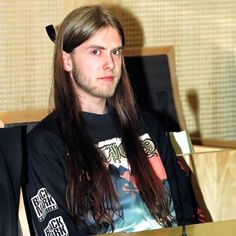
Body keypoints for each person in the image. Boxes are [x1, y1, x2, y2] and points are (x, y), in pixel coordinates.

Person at [25, 5, 204, 235]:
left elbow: (186, 213)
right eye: (96, 52)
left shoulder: (148, 126)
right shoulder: (45, 145)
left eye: (116, 52)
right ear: (67, 61)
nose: (110, 64)